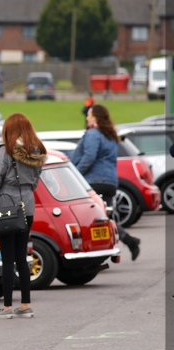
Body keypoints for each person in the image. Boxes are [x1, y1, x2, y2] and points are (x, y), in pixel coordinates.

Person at [0, 113, 45, 319]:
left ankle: (8, 306)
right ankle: (26, 304)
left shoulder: (7, 151)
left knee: (7, 259)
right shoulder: (37, 151)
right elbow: (36, 180)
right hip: (28, 207)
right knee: (22, 257)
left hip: (7, 207)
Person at [70, 104, 140, 260]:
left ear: (95, 116)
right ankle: (128, 241)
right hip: (110, 182)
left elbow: (88, 157)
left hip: (94, 181)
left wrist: (75, 175)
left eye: (89, 114)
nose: (87, 117)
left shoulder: (93, 134)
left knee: (88, 218)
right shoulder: (110, 135)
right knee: (105, 218)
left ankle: (92, 252)